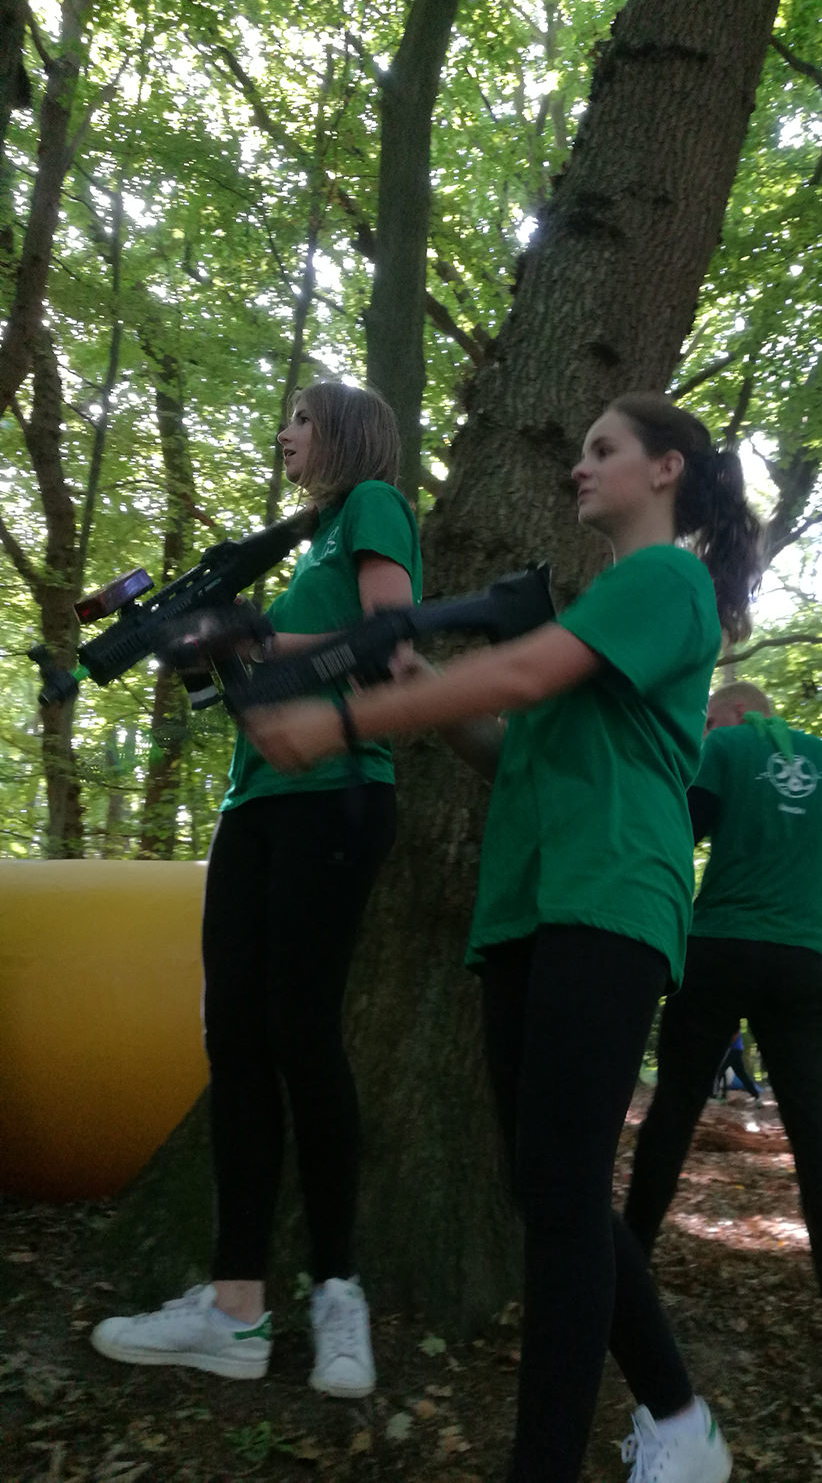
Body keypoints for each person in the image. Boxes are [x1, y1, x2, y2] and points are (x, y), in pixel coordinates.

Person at [244, 393, 763, 1483]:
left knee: (563, 1195)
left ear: (667, 470)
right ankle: (676, 1427)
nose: (580, 468)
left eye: (603, 449)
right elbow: (516, 743)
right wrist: (430, 696)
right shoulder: (609, 600)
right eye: (578, 449)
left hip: (611, 896)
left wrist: (336, 720)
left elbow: (525, 675)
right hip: (530, 903)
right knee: (549, 1188)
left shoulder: (668, 580)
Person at [91, 382, 423, 1399]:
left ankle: (337, 1292)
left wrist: (251, 640)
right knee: (232, 1036)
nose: (282, 435)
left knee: (301, 1032)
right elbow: (252, 686)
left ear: (346, 436)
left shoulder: (372, 508)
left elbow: (390, 655)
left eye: (298, 421)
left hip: (339, 797)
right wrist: (188, 645)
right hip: (257, 805)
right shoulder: (302, 547)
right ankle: (236, 1311)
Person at [623, 682, 822, 1355]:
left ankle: (628, 1265)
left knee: (673, 1109)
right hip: (800, 959)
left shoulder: (725, 748)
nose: (702, 732)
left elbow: (681, 832)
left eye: (707, 721)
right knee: (814, 1122)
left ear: (733, 715)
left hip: (721, 945)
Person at [714, 1030, 761, 1103]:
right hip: (737, 1050)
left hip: (732, 1049)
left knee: (719, 1070)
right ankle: (755, 1094)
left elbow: (736, 1034)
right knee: (741, 1074)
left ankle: (713, 1095)